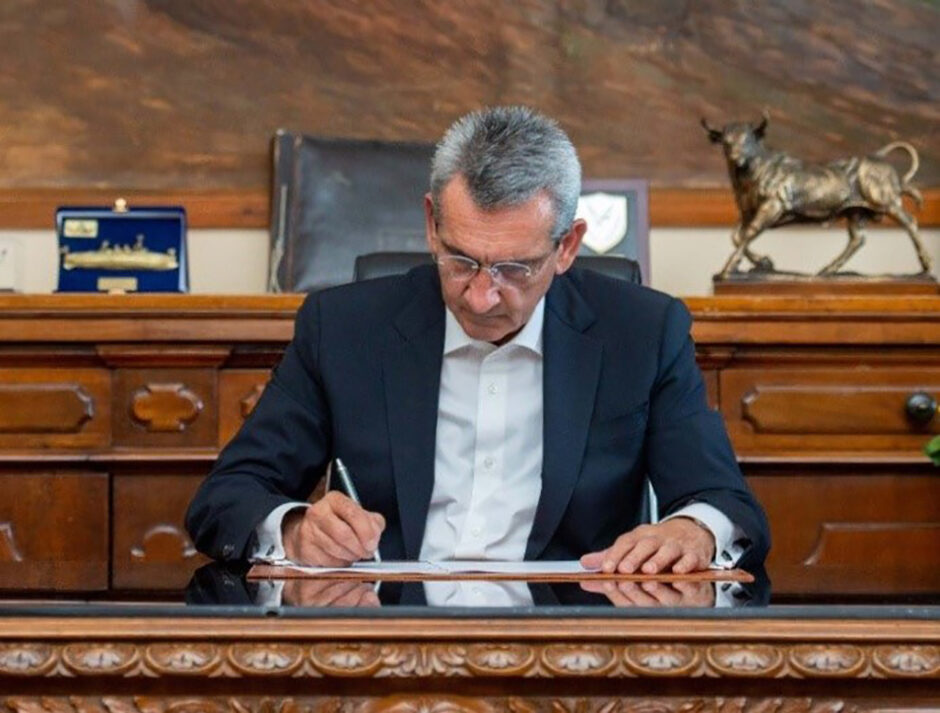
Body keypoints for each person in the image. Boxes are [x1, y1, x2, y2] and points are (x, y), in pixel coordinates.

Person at [186, 106, 770, 582]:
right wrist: (293, 530)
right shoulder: (343, 329)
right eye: (461, 260)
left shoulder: (642, 333)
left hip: (573, 638)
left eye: (515, 269)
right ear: (431, 224)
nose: (482, 296)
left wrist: (694, 530)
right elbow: (226, 497)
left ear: (568, 246)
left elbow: (725, 503)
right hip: (389, 636)